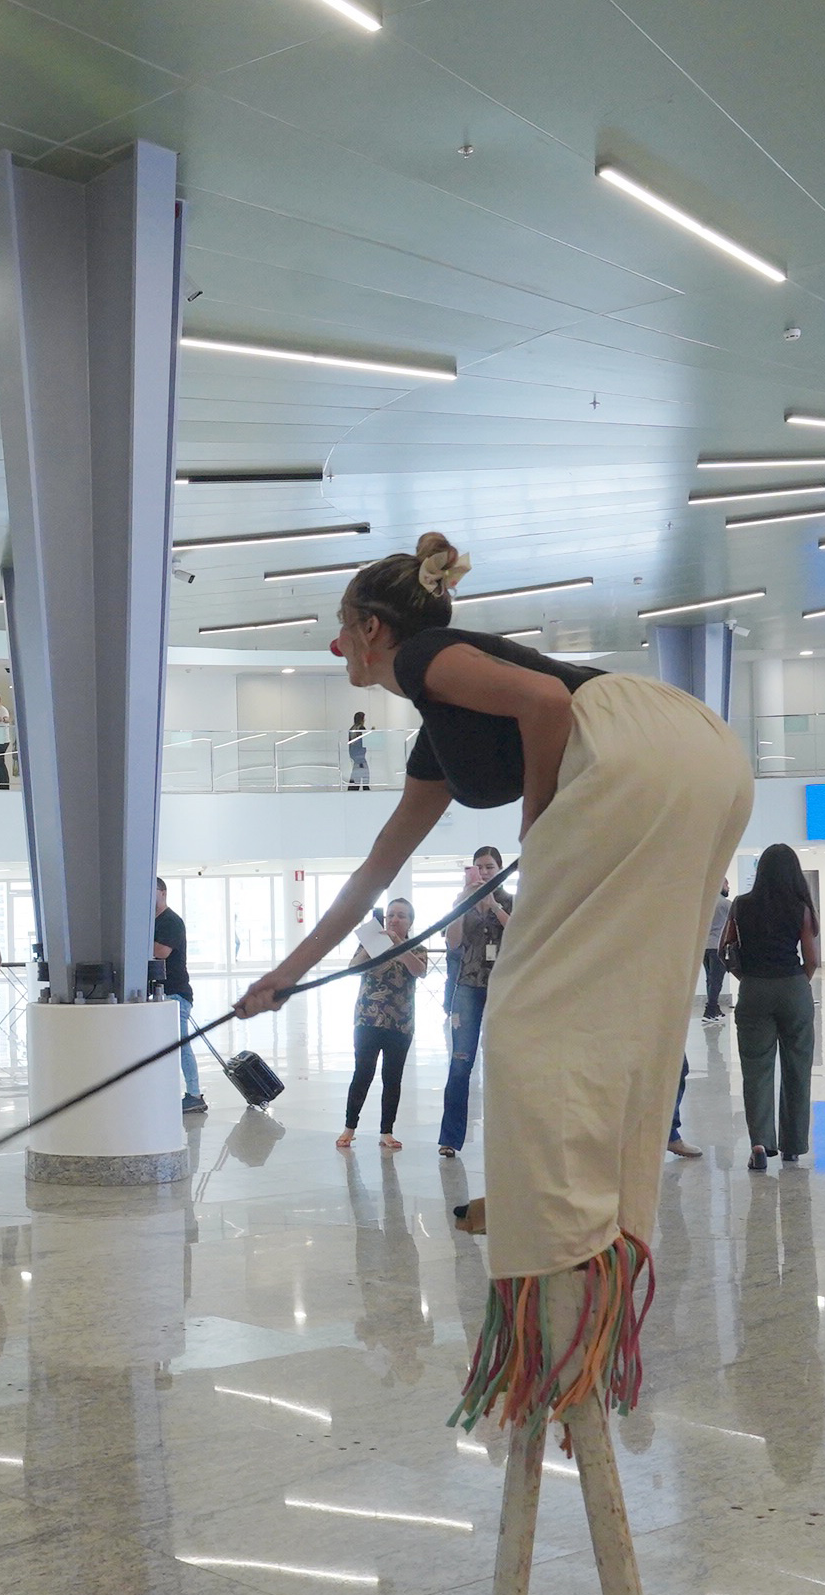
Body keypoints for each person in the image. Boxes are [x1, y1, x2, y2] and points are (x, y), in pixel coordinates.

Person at [239, 530, 752, 1413]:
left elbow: (547, 703)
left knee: (519, 1015)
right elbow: (375, 871)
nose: (334, 646)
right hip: (703, 753)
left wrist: (536, 820)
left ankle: (557, 1214)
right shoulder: (438, 732)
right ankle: (596, 1201)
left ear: (372, 630)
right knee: (628, 994)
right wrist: (285, 974)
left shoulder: (427, 657)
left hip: (634, 747)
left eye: (341, 628)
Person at [725, 845, 822, 1170]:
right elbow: (812, 959)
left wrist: (747, 979)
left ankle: (759, 1144)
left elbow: (725, 950)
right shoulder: (801, 908)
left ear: (761, 871)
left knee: (756, 1070)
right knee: (797, 1068)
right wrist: (798, 984)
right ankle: (793, 1145)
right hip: (793, 986)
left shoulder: (740, 905)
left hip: (754, 988)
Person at [435, 846, 511, 1159]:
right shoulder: (464, 903)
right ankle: (450, 1138)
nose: (484, 872)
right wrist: (460, 905)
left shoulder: (511, 901)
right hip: (467, 986)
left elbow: (522, 934)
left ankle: (508, 1137)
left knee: (506, 1064)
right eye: (479, 867)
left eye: (490, 867)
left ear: (500, 869)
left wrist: (494, 906)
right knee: (460, 1062)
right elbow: (453, 942)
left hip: (504, 988)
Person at [338, 898, 427, 1151]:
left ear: (410, 922)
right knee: (363, 1072)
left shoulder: (417, 946)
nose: (394, 920)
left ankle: (387, 1131)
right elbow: (353, 969)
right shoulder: (370, 943)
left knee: (392, 1076)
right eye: (391, 915)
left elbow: (419, 971)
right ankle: (349, 1127)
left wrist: (399, 945)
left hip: (400, 1022)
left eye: (401, 916)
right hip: (368, 1018)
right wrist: (370, 945)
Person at [152, 876, 204, 1115]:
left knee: (182, 1046)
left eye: (152, 890)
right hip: (158, 995)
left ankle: (194, 1094)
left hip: (176, 995)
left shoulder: (171, 921)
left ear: (163, 892)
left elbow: (161, 952)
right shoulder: (151, 922)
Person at [700, 878, 735, 1020]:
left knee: (710, 979)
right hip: (717, 946)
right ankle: (710, 1010)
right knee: (716, 980)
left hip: (704, 946)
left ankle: (715, 1008)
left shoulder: (705, 904)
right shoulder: (726, 904)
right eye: (726, 884)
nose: (728, 887)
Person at [346, 712, 371, 791]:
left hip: (354, 755)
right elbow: (364, 740)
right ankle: (363, 788)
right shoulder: (361, 728)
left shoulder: (352, 728)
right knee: (364, 773)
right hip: (360, 755)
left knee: (357, 773)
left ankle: (354, 788)